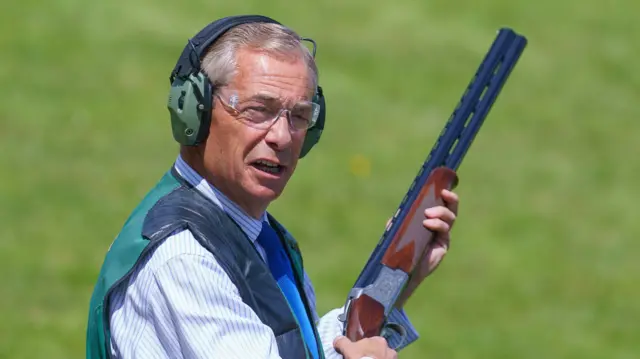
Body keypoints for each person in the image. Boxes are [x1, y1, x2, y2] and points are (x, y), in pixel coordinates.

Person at [85, 14, 459, 359]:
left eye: (299, 115)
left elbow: (298, 349)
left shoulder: (254, 234)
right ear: (195, 111)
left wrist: (393, 280)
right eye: (257, 109)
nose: (282, 136)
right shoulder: (186, 258)